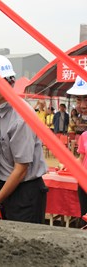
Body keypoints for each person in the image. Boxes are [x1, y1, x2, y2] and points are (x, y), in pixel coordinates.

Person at [0, 54, 48, 224]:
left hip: (25, 192)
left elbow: (21, 168)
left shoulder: (21, 116)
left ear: (10, 82)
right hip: (7, 188)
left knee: (25, 244)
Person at [66, 73, 87, 226]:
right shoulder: (84, 136)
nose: (83, 105)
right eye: (79, 99)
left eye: (86, 98)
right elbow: (81, 159)